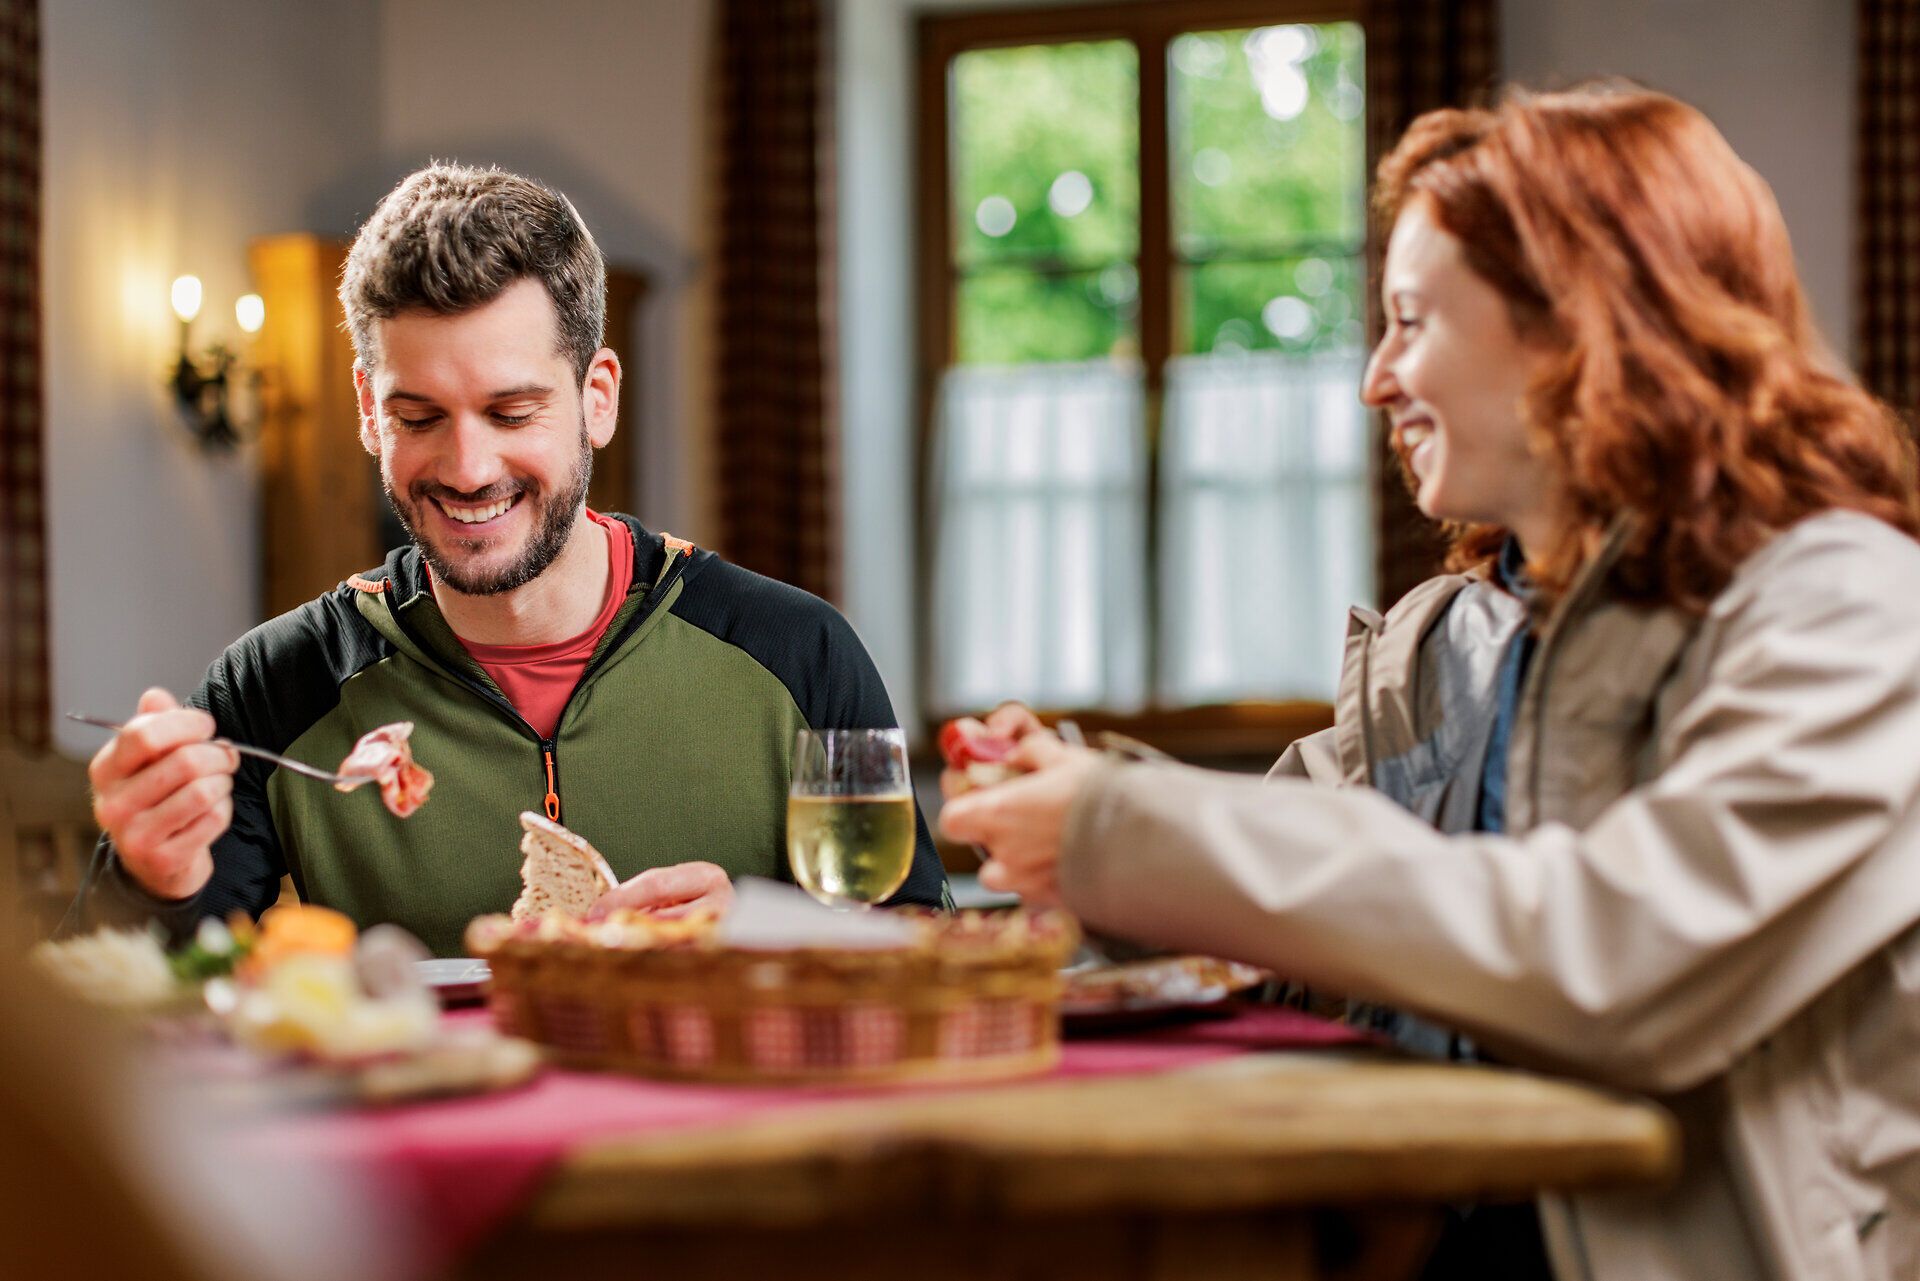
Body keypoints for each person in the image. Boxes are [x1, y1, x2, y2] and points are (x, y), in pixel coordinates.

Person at [941, 85, 1920, 1281]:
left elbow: (1612, 957)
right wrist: (1068, 805)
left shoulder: (1847, 610)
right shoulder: (1440, 638)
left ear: (1581, 326)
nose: (1375, 380)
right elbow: (1270, 890)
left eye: (1410, 322)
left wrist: (1113, 826)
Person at [66, 162, 948, 957]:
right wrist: (156, 883)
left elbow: (931, 957)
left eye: (512, 412)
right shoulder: (273, 686)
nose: (467, 468)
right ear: (369, 412)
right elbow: (95, 1027)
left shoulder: (800, 653)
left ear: (597, 397)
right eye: (418, 418)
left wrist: (767, 938)